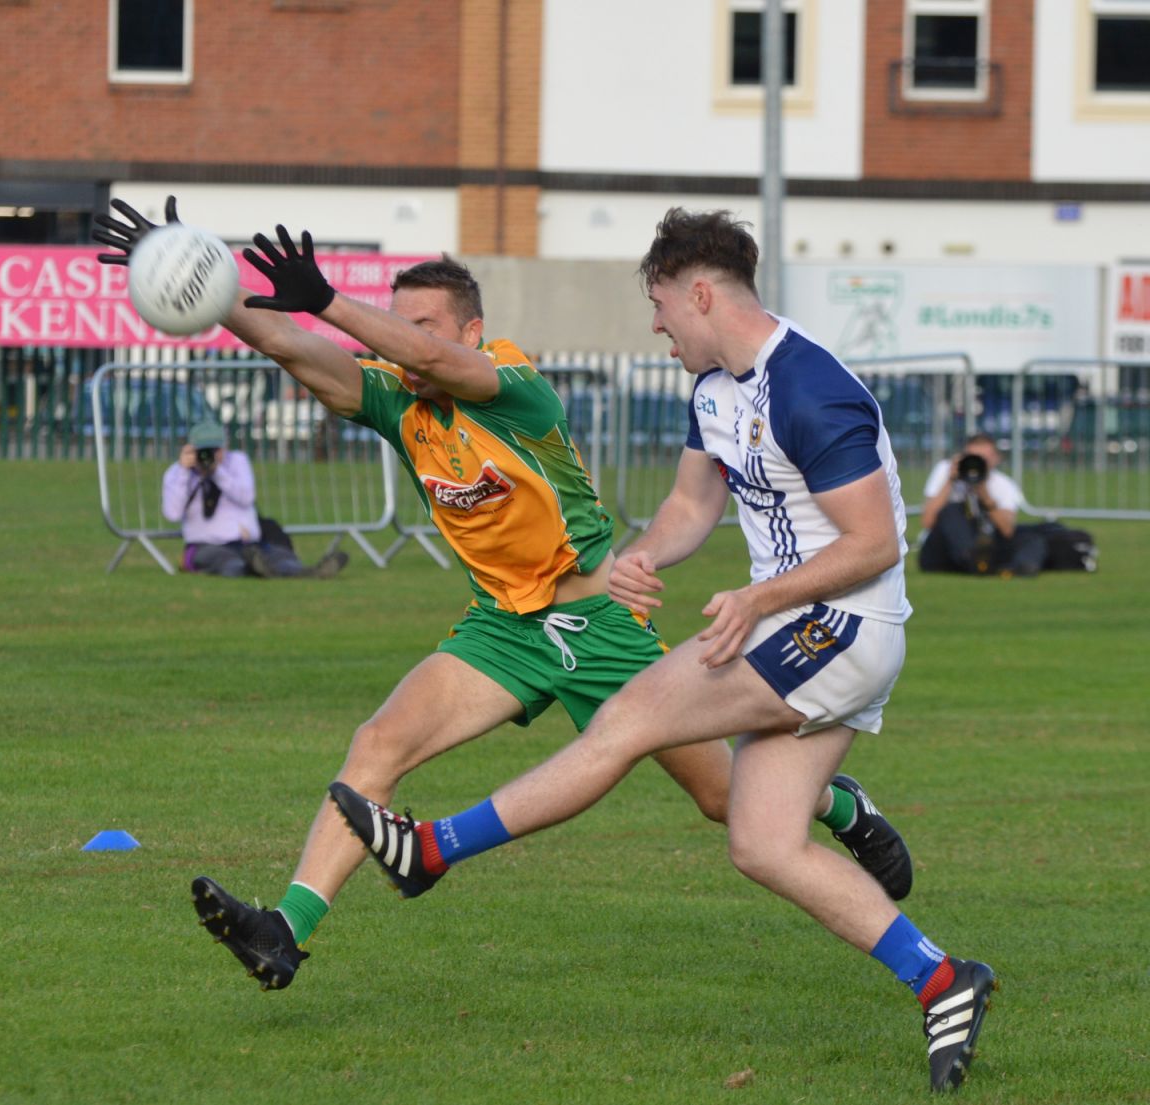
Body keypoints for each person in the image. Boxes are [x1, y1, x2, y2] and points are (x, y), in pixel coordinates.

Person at [94, 197, 910, 999]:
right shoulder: (397, 399)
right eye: (399, 324)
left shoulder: (514, 384)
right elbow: (305, 352)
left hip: (600, 625)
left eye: (427, 327)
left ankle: (837, 802)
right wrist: (208, 288)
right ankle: (287, 929)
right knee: (379, 744)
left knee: (722, 797)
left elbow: (444, 366)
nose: (409, 344)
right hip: (502, 628)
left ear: (472, 331)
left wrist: (334, 303)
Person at [329, 208, 997, 1093]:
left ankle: (434, 848)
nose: (655, 325)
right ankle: (945, 980)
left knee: (627, 717)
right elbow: (691, 506)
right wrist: (637, 558)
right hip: (796, 629)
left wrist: (759, 595)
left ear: (702, 293)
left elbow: (872, 543)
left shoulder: (810, 387)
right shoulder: (716, 388)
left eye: (659, 306)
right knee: (761, 842)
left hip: (841, 629)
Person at [160, 418, 348, 579]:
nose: (210, 455)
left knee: (278, 555)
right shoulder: (177, 474)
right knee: (227, 562)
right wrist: (185, 472)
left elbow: (246, 497)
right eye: (204, 450)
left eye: (215, 449)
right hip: (205, 545)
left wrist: (217, 472)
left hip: (249, 544)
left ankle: (305, 572)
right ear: (191, 449)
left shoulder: (236, 461)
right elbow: (172, 513)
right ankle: (253, 570)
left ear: (224, 446)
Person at [918, 433, 1046, 577]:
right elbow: (927, 521)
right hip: (941, 551)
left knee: (1031, 536)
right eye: (972, 457)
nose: (975, 464)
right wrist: (950, 481)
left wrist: (983, 492)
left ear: (996, 459)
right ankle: (973, 560)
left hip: (982, 543)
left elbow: (1007, 530)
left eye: (982, 459)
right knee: (953, 510)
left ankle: (1020, 567)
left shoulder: (1003, 484)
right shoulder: (945, 470)